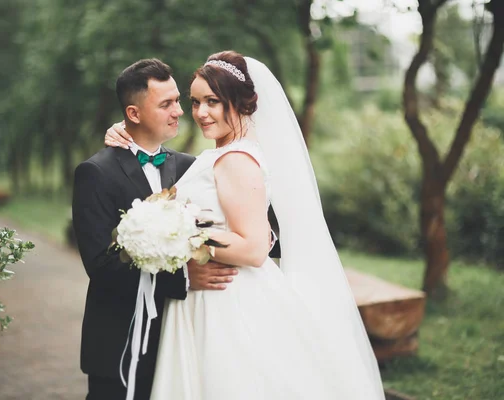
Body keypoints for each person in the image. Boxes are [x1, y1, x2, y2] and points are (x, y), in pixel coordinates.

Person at [104, 51, 385, 399]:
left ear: (240, 103)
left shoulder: (237, 159)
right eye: (195, 102)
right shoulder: (218, 154)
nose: (200, 113)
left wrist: (179, 240)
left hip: (228, 302)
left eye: (213, 102)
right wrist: (126, 134)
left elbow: (252, 248)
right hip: (207, 296)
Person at [72, 59, 242, 400]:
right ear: (133, 114)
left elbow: (253, 225)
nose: (180, 111)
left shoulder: (190, 167)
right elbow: (100, 266)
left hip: (178, 338)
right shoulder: (95, 173)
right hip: (118, 339)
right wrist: (182, 278)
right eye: (166, 104)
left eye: (179, 101)